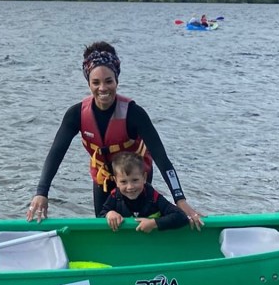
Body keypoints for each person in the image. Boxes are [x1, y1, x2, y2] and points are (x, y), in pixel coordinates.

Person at [26, 41, 203, 229]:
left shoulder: (135, 114)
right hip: (103, 181)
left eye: (108, 81)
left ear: (116, 81)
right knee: (105, 224)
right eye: (96, 82)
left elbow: (162, 158)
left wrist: (180, 199)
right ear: (88, 83)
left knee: (141, 226)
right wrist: (41, 192)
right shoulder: (76, 114)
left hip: (136, 180)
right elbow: (56, 154)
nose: (103, 88)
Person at [99, 152, 190, 232]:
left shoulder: (154, 197)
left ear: (144, 178)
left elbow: (181, 216)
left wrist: (154, 223)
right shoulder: (115, 196)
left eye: (135, 180)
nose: (130, 187)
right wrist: (109, 214)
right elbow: (100, 215)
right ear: (116, 181)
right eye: (123, 182)